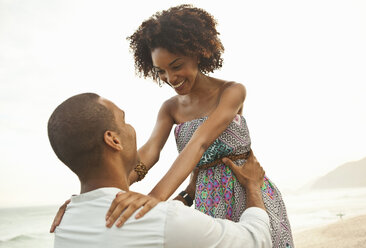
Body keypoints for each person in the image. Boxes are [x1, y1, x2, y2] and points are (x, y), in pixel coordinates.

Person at [104, 4, 294, 248]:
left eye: (176, 65)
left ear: (198, 52)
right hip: (206, 201)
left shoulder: (232, 91)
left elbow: (200, 142)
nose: (170, 79)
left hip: (248, 191)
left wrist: (153, 199)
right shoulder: (169, 108)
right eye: (160, 71)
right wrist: (112, 189)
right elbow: (150, 152)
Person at [48, 93, 272, 248]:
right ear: (113, 140)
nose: (130, 128)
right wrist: (253, 187)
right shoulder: (164, 220)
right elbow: (257, 240)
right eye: (123, 120)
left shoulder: (65, 223)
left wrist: (187, 195)